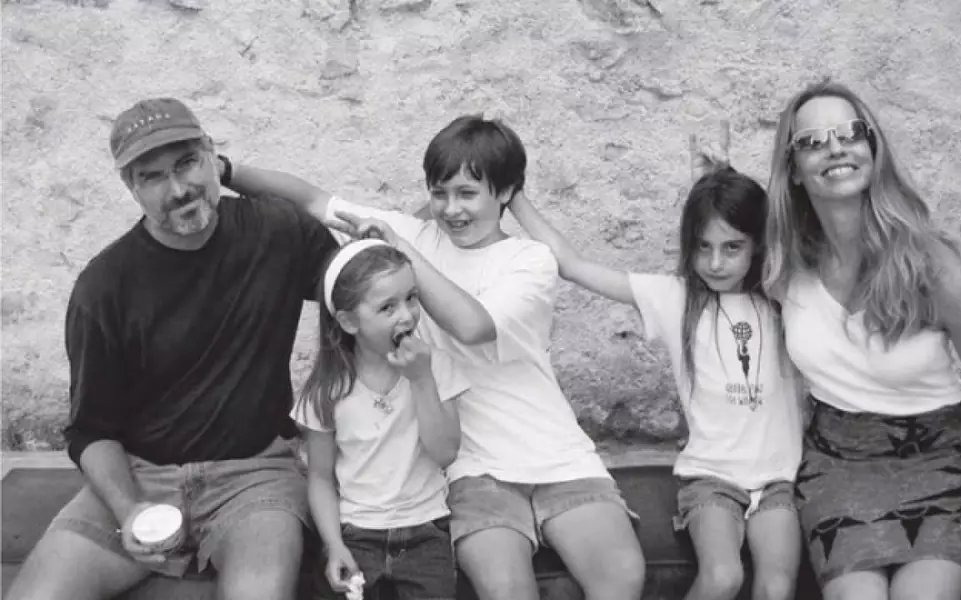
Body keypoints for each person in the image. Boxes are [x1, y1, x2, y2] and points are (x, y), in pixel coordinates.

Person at [222, 115, 647, 600]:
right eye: (439, 193)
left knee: (622, 579)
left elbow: (472, 326)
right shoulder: (412, 233)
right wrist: (225, 170)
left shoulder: (529, 260)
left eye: (467, 194)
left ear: (506, 192)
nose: (450, 209)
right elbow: (312, 200)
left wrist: (399, 245)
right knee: (507, 591)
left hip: (555, 454)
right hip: (472, 465)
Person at [6, 98, 339, 600]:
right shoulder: (103, 287)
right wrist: (128, 511)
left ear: (211, 155)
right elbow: (90, 429)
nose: (179, 189)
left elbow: (359, 292)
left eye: (187, 163)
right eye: (153, 176)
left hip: (256, 471)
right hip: (141, 474)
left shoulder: (278, 232)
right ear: (131, 187)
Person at [507, 133, 804, 600]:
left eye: (732, 247)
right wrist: (514, 195)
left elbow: (802, 230)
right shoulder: (677, 299)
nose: (715, 262)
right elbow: (574, 265)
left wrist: (724, 179)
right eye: (703, 247)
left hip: (778, 481)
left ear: (757, 245)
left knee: (777, 586)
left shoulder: (784, 296)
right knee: (723, 577)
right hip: (712, 479)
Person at [764, 80, 961, 600]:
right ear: (794, 169)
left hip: (944, 460)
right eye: (813, 141)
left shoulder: (932, 266)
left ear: (872, 147)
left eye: (850, 133)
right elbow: (707, 264)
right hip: (839, 465)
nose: (835, 148)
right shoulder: (786, 265)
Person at [294, 235, 475, 600]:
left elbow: (445, 453)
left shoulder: (434, 367)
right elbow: (320, 477)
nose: (406, 315)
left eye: (411, 298)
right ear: (348, 321)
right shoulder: (328, 388)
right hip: (355, 533)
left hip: (425, 530)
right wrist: (333, 545)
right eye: (387, 307)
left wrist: (421, 379)